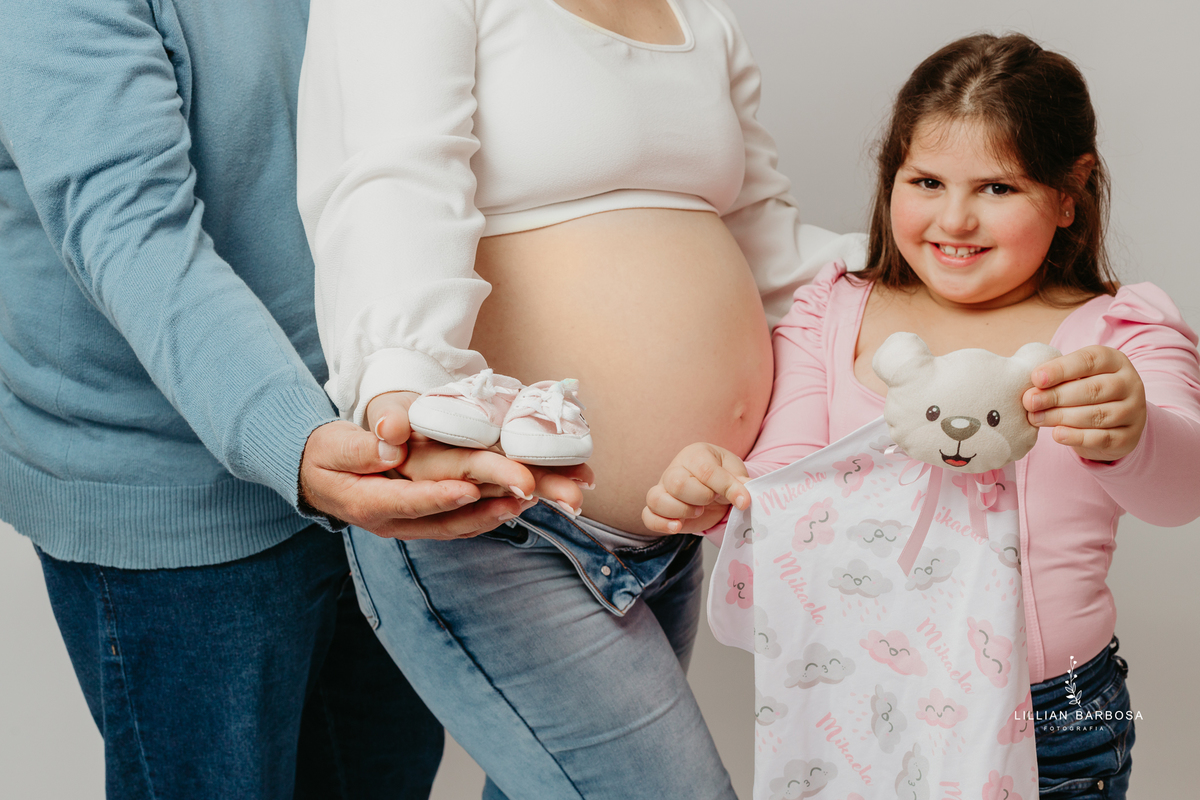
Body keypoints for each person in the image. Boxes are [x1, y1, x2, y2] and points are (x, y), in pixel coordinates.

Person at [0, 1, 582, 797]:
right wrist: (296, 439)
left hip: (370, 447)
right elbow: (130, 230)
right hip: (176, 500)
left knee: (381, 775)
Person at [296, 0, 865, 796]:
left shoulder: (697, 16)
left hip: (668, 533)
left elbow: (770, 248)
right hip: (503, 521)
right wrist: (403, 388)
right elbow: (393, 179)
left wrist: (991, 290)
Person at [646, 33, 1200, 798]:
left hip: (1053, 718)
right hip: (865, 699)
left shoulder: (1117, 333)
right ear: (892, 177)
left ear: (1071, 192)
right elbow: (786, 484)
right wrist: (717, 493)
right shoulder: (833, 309)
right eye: (928, 181)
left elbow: (1183, 493)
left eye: (998, 189)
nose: (956, 219)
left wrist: (1134, 433)